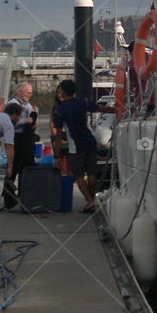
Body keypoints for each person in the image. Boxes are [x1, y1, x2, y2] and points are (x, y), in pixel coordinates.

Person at [53, 79, 99, 213]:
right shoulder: (82, 102)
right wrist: (116, 109)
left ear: (62, 92)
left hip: (76, 145)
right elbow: (98, 108)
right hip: (90, 141)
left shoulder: (60, 110)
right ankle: (92, 201)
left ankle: (89, 201)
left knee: (78, 174)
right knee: (91, 172)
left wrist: (57, 155)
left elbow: (58, 134)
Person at [5, 82, 38, 189]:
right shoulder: (12, 104)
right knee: (13, 166)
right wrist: (25, 121)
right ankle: (8, 195)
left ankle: (24, 192)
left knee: (25, 166)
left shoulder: (27, 104)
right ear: (19, 92)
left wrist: (33, 124)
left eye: (31, 93)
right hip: (15, 137)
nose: (30, 95)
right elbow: (8, 122)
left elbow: (31, 117)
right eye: (27, 93)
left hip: (25, 139)